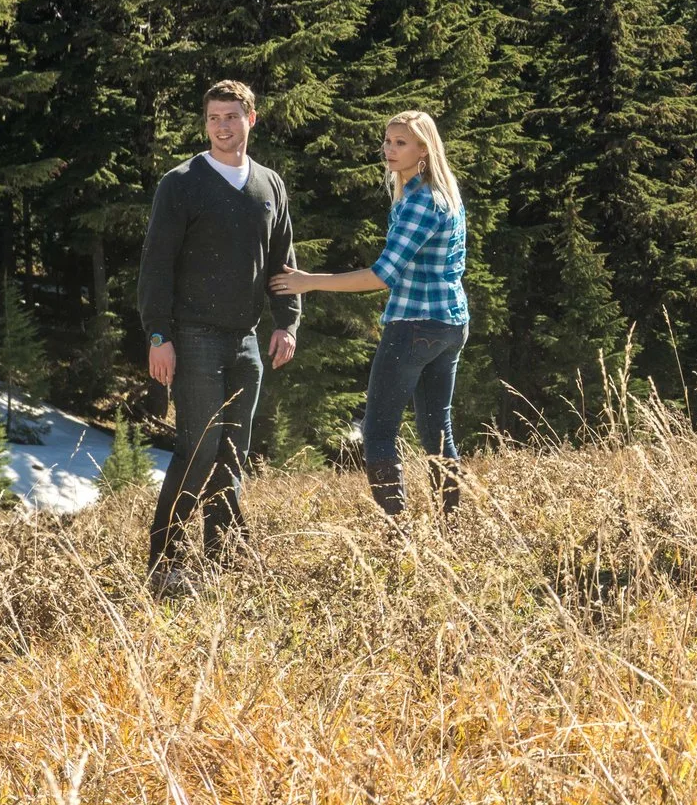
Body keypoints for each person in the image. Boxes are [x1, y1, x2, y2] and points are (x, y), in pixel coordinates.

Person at [136, 80, 299, 586]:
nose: (222, 126)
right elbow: (156, 264)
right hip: (193, 336)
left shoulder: (269, 185)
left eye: (231, 116)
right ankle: (165, 564)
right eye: (213, 117)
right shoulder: (181, 183)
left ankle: (223, 561)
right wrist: (158, 335)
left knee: (232, 454)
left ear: (252, 119)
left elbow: (282, 262)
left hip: (246, 341)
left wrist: (287, 322)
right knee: (198, 449)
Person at [270, 111, 469, 517]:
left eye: (400, 143)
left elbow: (381, 276)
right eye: (387, 141)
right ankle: (453, 528)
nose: (389, 150)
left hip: (413, 326)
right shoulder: (444, 195)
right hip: (450, 324)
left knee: (378, 431)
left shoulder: (419, 202)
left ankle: (398, 533)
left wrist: (309, 281)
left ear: (424, 150)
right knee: (437, 431)